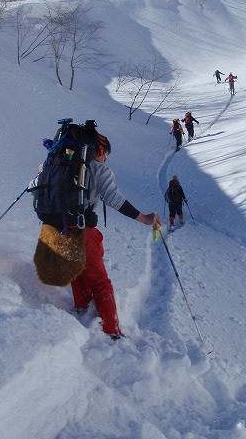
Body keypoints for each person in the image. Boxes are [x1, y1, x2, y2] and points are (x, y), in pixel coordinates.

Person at [30, 134, 161, 340]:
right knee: (100, 283)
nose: (104, 160)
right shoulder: (98, 168)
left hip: (53, 229)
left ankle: (83, 310)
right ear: (99, 150)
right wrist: (144, 218)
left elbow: (36, 188)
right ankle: (112, 332)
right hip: (81, 231)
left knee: (77, 272)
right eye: (105, 156)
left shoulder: (58, 166)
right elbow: (114, 198)